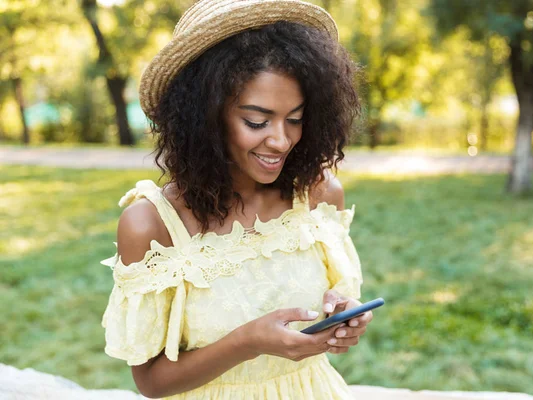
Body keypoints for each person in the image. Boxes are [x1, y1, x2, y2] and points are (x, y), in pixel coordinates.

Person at [101, 0, 369, 398]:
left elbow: (340, 296)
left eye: (294, 119)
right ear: (206, 116)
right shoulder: (153, 225)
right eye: (257, 121)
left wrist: (341, 316)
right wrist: (248, 342)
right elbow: (151, 382)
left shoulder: (318, 195)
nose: (281, 140)